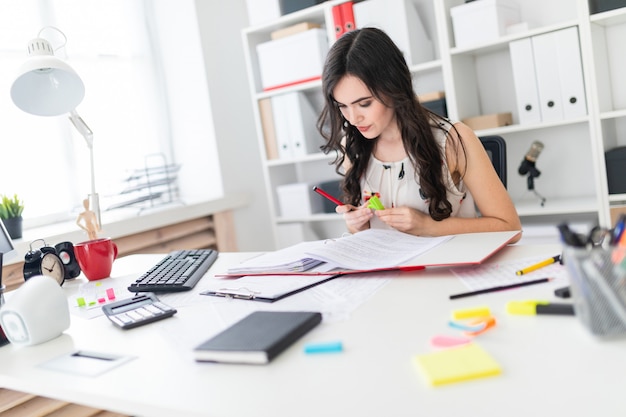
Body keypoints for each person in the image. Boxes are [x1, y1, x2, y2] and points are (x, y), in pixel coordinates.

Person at [317, 27, 521, 242]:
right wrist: (356, 225)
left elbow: (510, 227)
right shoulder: (353, 146)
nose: (353, 118)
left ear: (393, 86)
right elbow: (365, 232)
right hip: (388, 272)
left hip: (446, 268)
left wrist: (427, 226)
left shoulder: (453, 139)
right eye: (343, 106)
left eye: (364, 104)